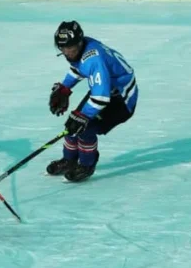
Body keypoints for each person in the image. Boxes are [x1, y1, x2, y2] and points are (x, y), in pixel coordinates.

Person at [46, 20, 138, 183]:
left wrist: (83, 116)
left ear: (80, 43)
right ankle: (69, 160)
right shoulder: (82, 48)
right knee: (72, 124)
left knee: (84, 127)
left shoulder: (93, 59)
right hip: (107, 90)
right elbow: (78, 67)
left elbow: (101, 98)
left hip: (121, 101)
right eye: (63, 49)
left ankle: (87, 165)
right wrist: (64, 88)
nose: (67, 53)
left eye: (71, 48)